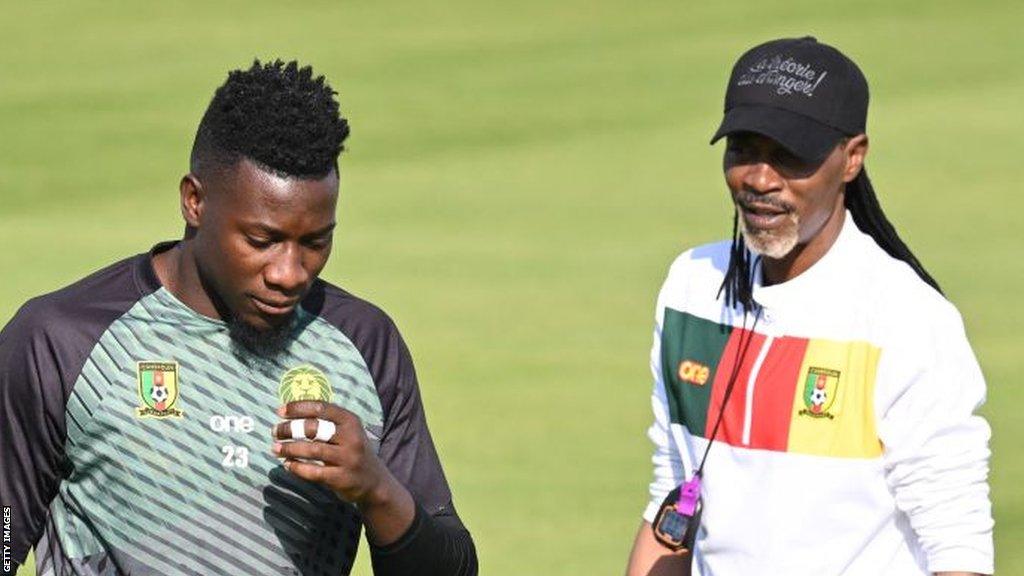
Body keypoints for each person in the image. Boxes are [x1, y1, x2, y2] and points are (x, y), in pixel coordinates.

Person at [0, 60, 477, 576]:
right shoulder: (62, 340)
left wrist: (378, 490)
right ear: (195, 201)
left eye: (316, 242)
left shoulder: (364, 345)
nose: (290, 272)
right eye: (262, 240)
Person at [625, 37, 994, 576]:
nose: (759, 178)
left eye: (790, 155)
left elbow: (956, 545)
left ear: (852, 158)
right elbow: (676, 494)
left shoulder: (907, 319)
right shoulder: (690, 290)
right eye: (743, 149)